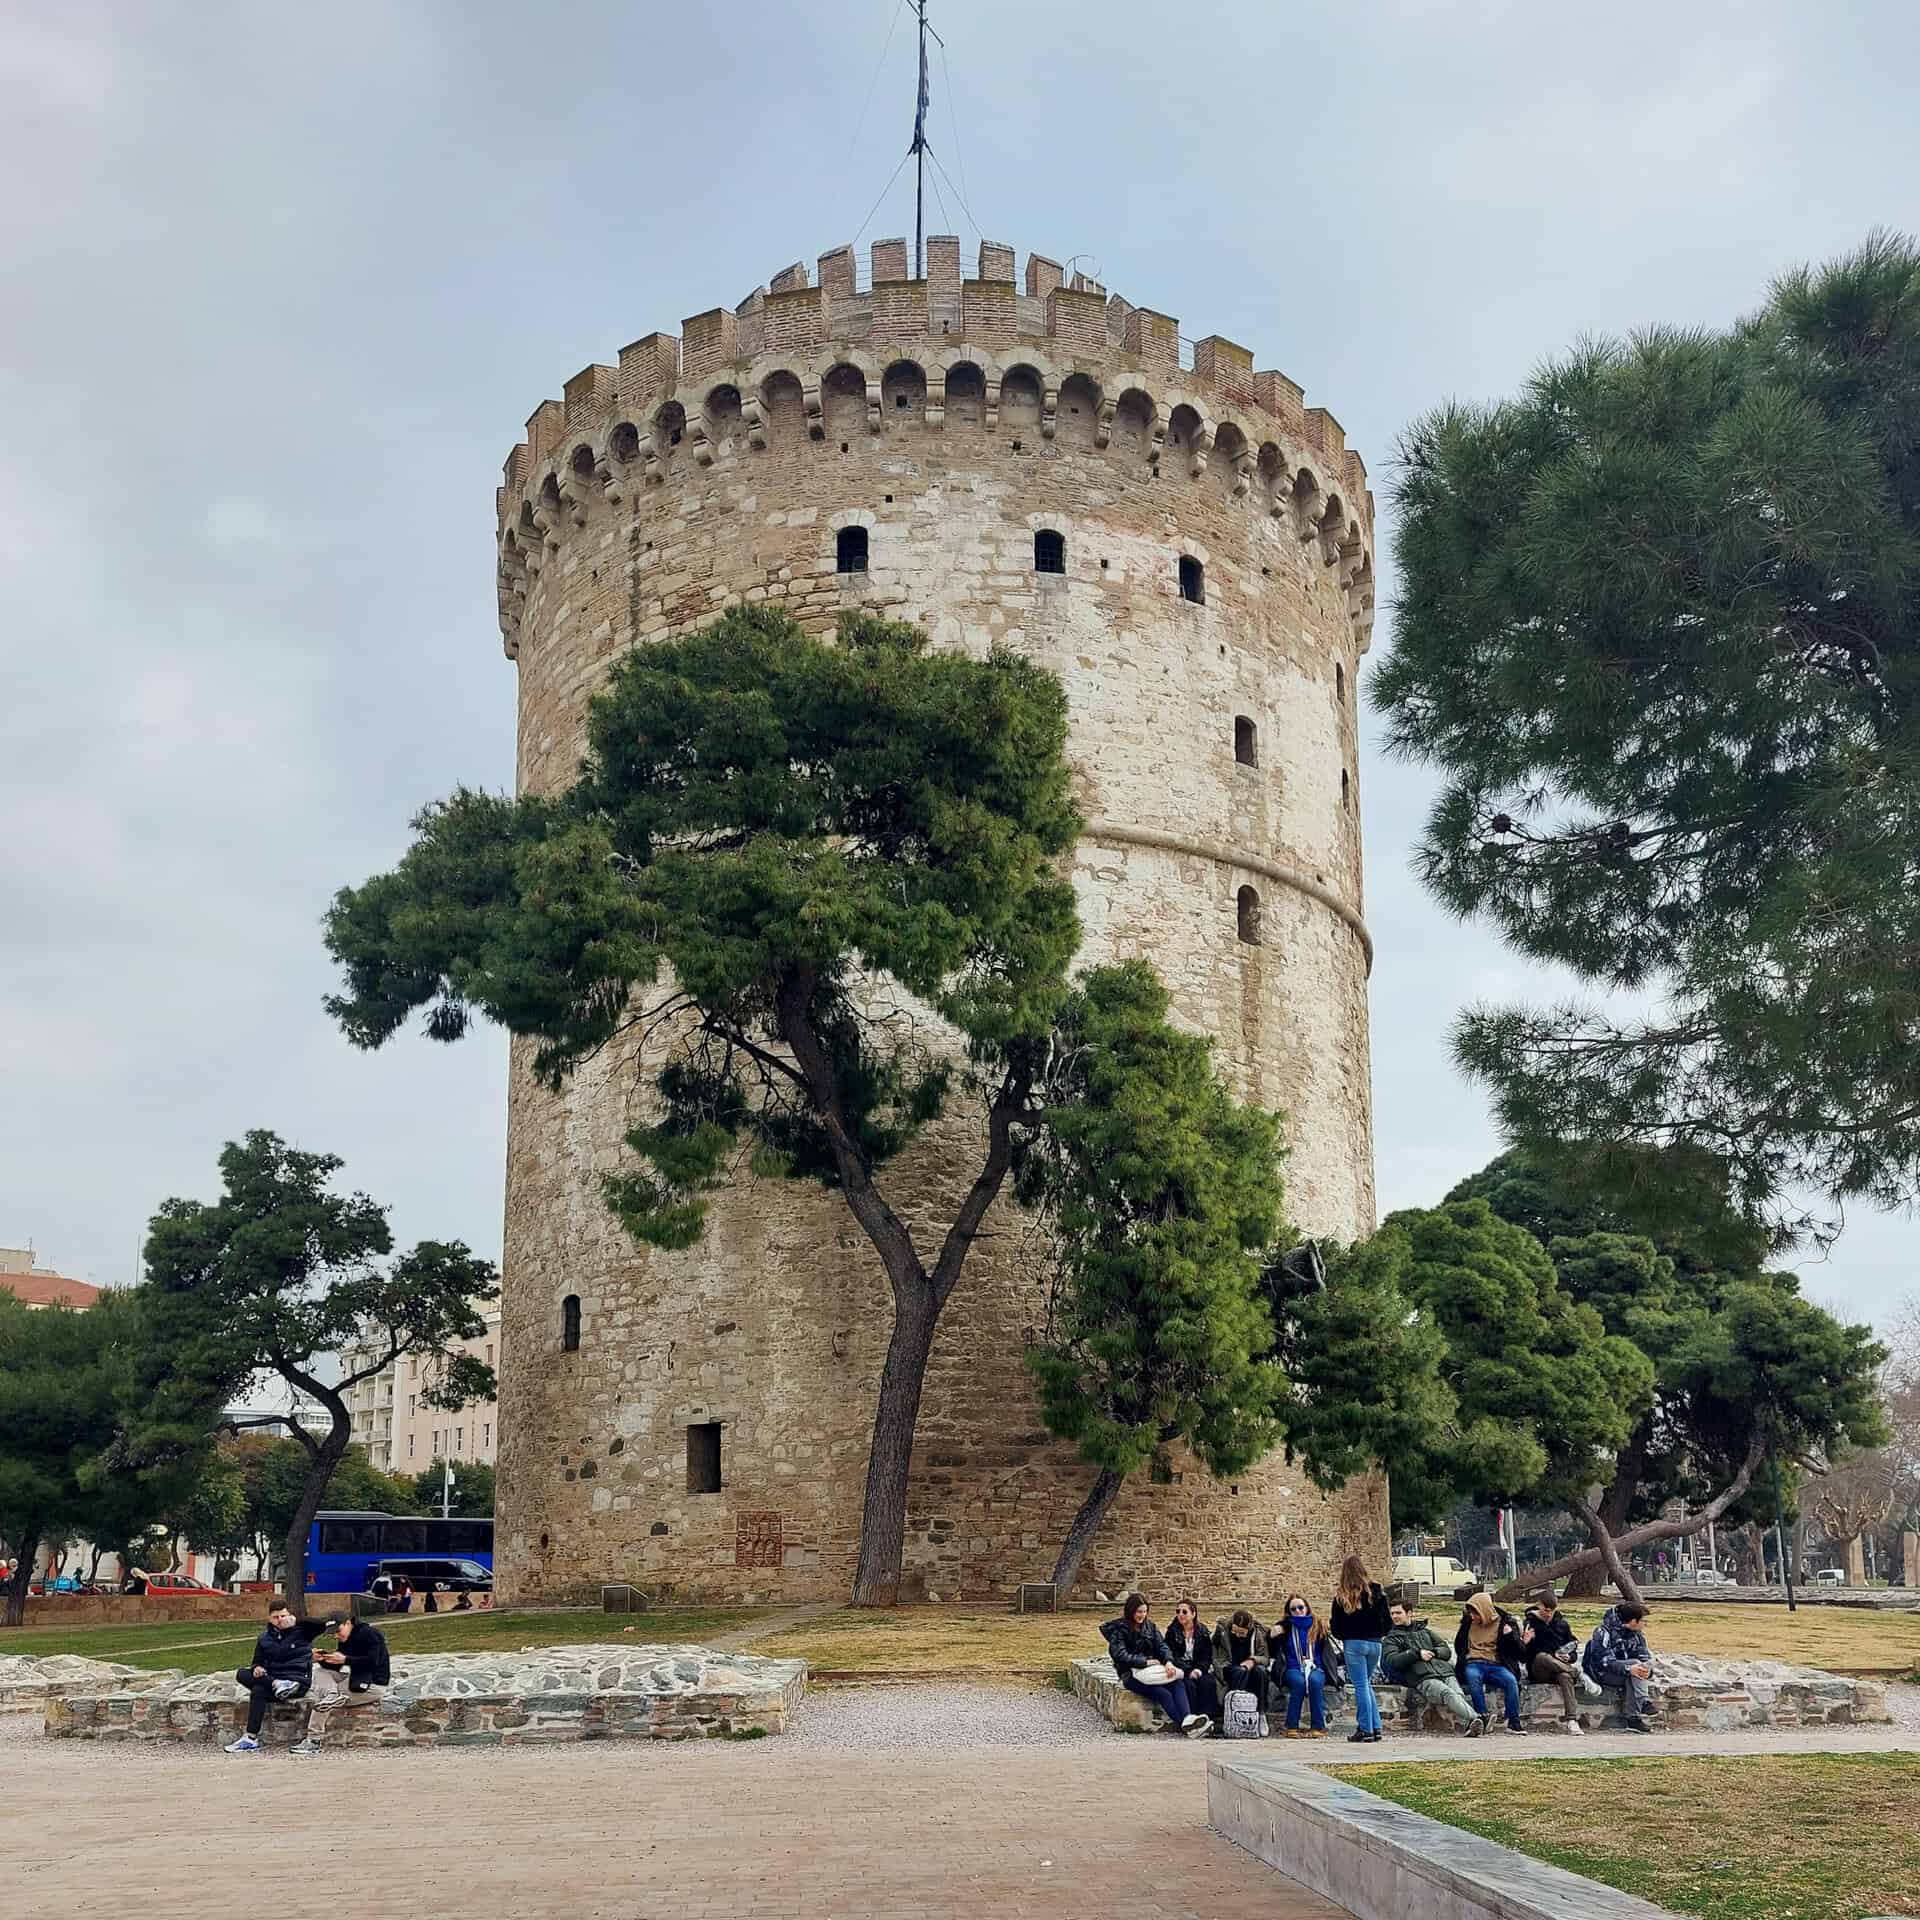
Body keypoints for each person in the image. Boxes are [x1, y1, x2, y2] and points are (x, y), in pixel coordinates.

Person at [1100, 1593, 1212, 1737]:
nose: (1142, 1615)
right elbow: (1120, 1655)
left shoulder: (1150, 1627)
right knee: (1162, 1694)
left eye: (1145, 1611)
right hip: (1130, 1675)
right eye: (1139, 1612)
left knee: (1176, 1681)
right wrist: (1144, 1662)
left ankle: (1188, 1721)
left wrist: (1169, 1662)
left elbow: (1162, 1646)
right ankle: (1188, 1725)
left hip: (1152, 1671)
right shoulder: (1119, 1630)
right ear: (1131, 1611)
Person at [225, 1599, 321, 1753]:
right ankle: (250, 1739)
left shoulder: (302, 1632)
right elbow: (256, 1662)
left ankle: (251, 1736)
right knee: (244, 1676)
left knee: (258, 1689)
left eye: (283, 1616)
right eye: (276, 1617)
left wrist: (296, 1621)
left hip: (297, 1681)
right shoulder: (264, 1638)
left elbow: (320, 1625)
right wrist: (257, 1668)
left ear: (289, 1615)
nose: (280, 1620)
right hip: (273, 1682)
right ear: (270, 1618)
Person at [291, 1613, 392, 1756]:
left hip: (372, 1685)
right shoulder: (346, 1638)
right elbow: (336, 1668)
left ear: (348, 1623)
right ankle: (332, 1695)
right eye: (333, 1634)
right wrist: (323, 1658)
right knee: (321, 1672)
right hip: (357, 1678)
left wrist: (346, 1659)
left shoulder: (370, 1634)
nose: (336, 1636)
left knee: (322, 1698)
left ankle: (313, 1740)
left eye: (338, 1632)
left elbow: (372, 1662)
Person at [1381, 1599, 1486, 1735]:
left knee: (1458, 1693)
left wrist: (1435, 1652)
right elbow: (1393, 1660)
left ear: (1409, 1613)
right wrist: (1416, 1654)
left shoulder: (1425, 1632)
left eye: (1398, 1612)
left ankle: (1470, 1725)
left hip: (1444, 1672)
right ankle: (1476, 1718)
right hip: (1422, 1677)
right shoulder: (1391, 1639)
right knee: (1448, 1694)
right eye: (1392, 1613)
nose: (1395, 1616)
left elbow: (1445, 1650)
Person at [1329, 1553, 1392, 1745]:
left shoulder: (1342, 1596)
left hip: (1354, 1643)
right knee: (1366, 1684)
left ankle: (1365, 1728)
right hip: (1375, 1643)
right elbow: (1387, 1622)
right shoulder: (1377, 1593)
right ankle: (1375, 1726)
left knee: (1361, 1686)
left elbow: (1337, 1628)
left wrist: (1347, 1634)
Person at [1455, 1591, 1529, 1734]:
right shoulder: (1467, 1623)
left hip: (1496, 1664)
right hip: (1474, 1662)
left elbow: (1521, 1653)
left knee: (1510, 1681)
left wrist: (1510, 1636)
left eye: (1475, 1613)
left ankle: (1513, 1722)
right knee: (1472, 1677)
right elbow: (1459, 1646)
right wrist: (1466, 1657)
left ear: (1483, 1610)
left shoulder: (1504, 1623)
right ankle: (1482, 1717)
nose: (1473, 1617)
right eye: (1471, 1613)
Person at [1520, 1589, 1592, 1733]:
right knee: (1542, 1656)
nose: (1548, 1614)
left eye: (1551, 1611)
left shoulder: (1561, 1624)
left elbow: (1572, 1647)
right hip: (1538, 1669)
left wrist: (1569, 1657)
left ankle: (1571, 1719)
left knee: (1565, 1677)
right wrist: (1525, 1641)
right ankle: (1577, 1673)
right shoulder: (1529, 1623)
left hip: (1560, 1667)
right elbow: (1523, 1655)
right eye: (1546, 1610)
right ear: (1539, 1605)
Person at [1583, 1598, 1655, 1732]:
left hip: (1626, 1673)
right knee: (1634, 1666)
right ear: (1633, 1621)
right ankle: (1641, 1704)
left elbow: (1644, 1656)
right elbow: (1604, 1661)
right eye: (1644, 1621)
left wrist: (1647, 1671)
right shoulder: (1603, 1632)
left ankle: (1633, 1718)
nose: (1645, 1624)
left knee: (1638, 1669)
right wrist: (1629, 1668)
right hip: (1601, 1672)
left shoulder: (1637, 1636)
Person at [1274, 1593, 1338, 1738]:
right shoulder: (1285, 1628)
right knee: (1299, 1683)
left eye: (1300, 1607)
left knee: (1315, 1682)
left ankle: (1318, 1727)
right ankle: (1291, 1727)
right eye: (1293, 1609)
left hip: (1316, 1666)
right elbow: (1273, 1649)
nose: (1298, 1611)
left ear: (1307, 1608)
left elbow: (1326, 1651)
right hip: (1293, 1667)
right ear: (1289, 1612)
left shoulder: (1317, 1625)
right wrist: (1273, 1635)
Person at [1162, 1600, 1221, 1723]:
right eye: (1178, 1611)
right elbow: (1171, 1655)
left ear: (1193, 1614)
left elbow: (1206, 1656)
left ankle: (1209, 1717)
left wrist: (1199, 1670)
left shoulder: (1202, 1631)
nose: (1180, 1614)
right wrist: (1188, 1670)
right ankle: (1193, 1719)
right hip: (1181, 1669)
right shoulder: (1172, 1632)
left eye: (1184, 1612)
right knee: (1188, 1685)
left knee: (1208, 1683)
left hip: (1198, 1667)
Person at [1212, 1608, 1270, 1713]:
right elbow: (1213, 1645)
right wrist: (1216, 1662)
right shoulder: (1222, 1630)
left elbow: (1265, 1659)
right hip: (1228, 1666)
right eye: (1234, 1631)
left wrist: (1253, 1660)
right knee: (1240, 1671)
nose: (1237, 1635)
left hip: (1248, 1667)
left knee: (1260, 1672)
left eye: (1242, 1633)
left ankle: (1260, 1712)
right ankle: (1234, 1711)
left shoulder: (1257, 1634)